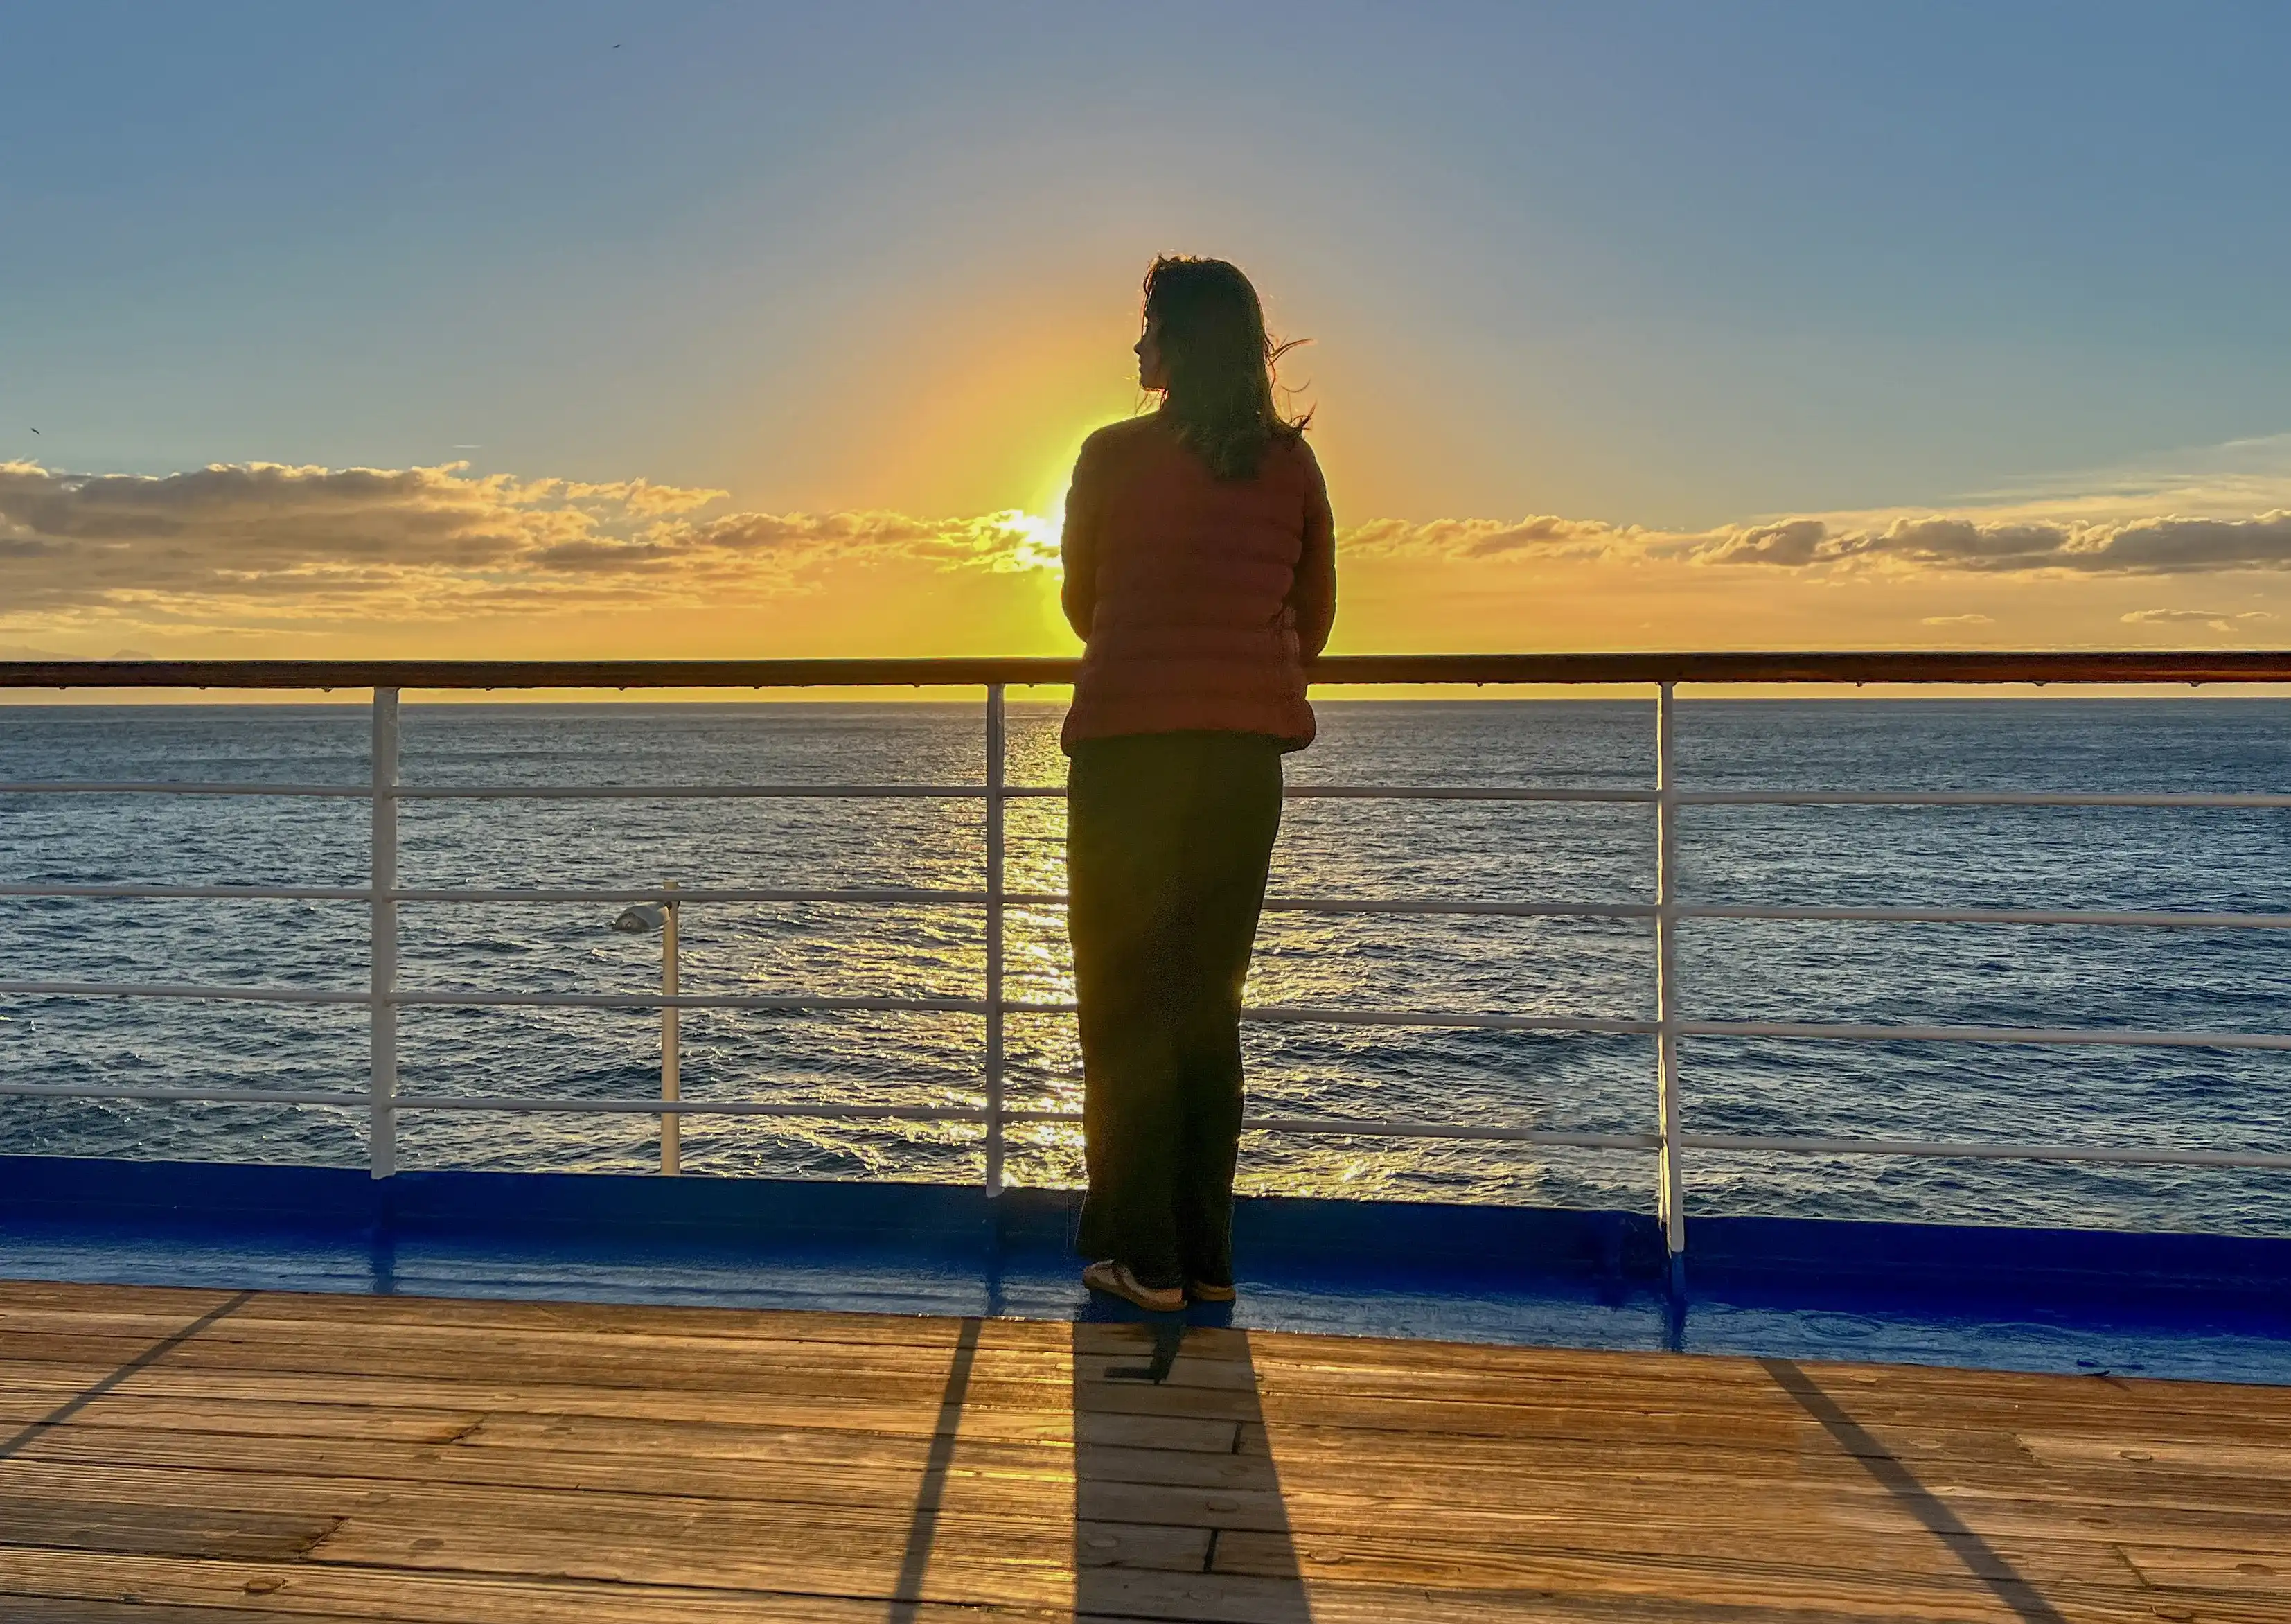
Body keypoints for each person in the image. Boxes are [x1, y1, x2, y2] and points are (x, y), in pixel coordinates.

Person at [1059, 256, 1336, 1314]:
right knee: (1205, 1002)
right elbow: (1313, 618)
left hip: (1129, 752)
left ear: (1175, 346)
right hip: (1238, 757)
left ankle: (1142, 1258)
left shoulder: (1109, 456)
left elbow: (1082, 605)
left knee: (1125, 1004)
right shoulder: (1289, 466)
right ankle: (1206, 1259)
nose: (1135, 349)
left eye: (1146, 330)